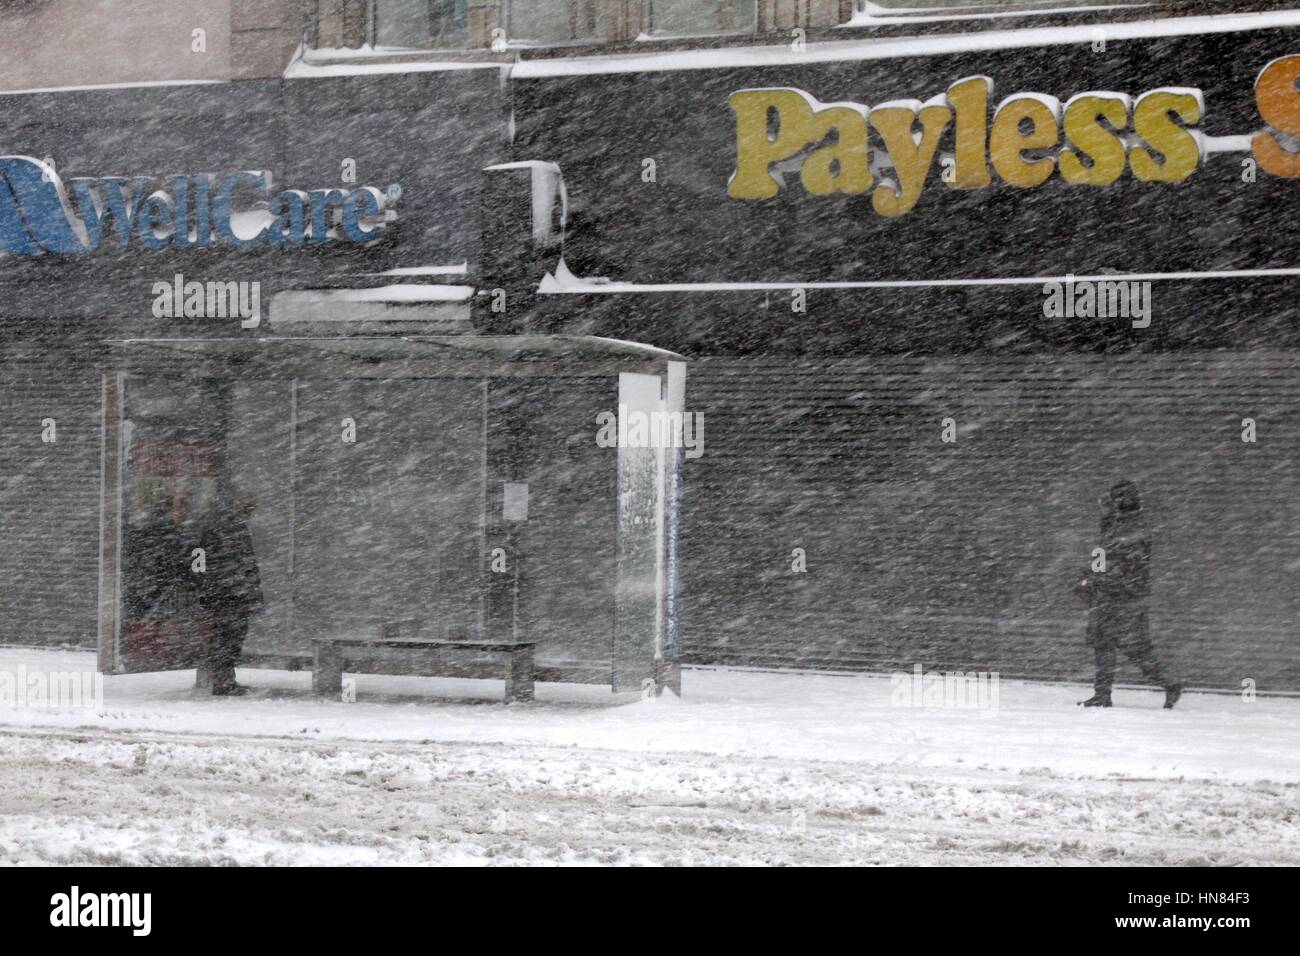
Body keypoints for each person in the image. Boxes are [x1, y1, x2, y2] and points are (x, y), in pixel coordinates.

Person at [1075, 480, 1182, 709]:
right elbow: (1100, 557)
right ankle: (1102, 694)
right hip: (1108, 596)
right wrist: (1089, 577)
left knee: (1134, 647)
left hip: (1126, 597)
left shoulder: (1134, 529)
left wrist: (1098, 577)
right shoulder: (1115, 526)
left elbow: (1124, 564)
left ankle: (1169, 683)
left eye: (1113, 501)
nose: (1108, 506)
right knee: (1103, 644)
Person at [197, 491, 264, 696]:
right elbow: (243, 565)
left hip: (229, 594)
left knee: (229, 638)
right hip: (228, 595)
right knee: (228, 638)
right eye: (247, 509)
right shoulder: (224, 530)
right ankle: (223, 680)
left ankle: (224, 678)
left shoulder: (230, 529)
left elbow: (247, 565)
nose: (250, 514)